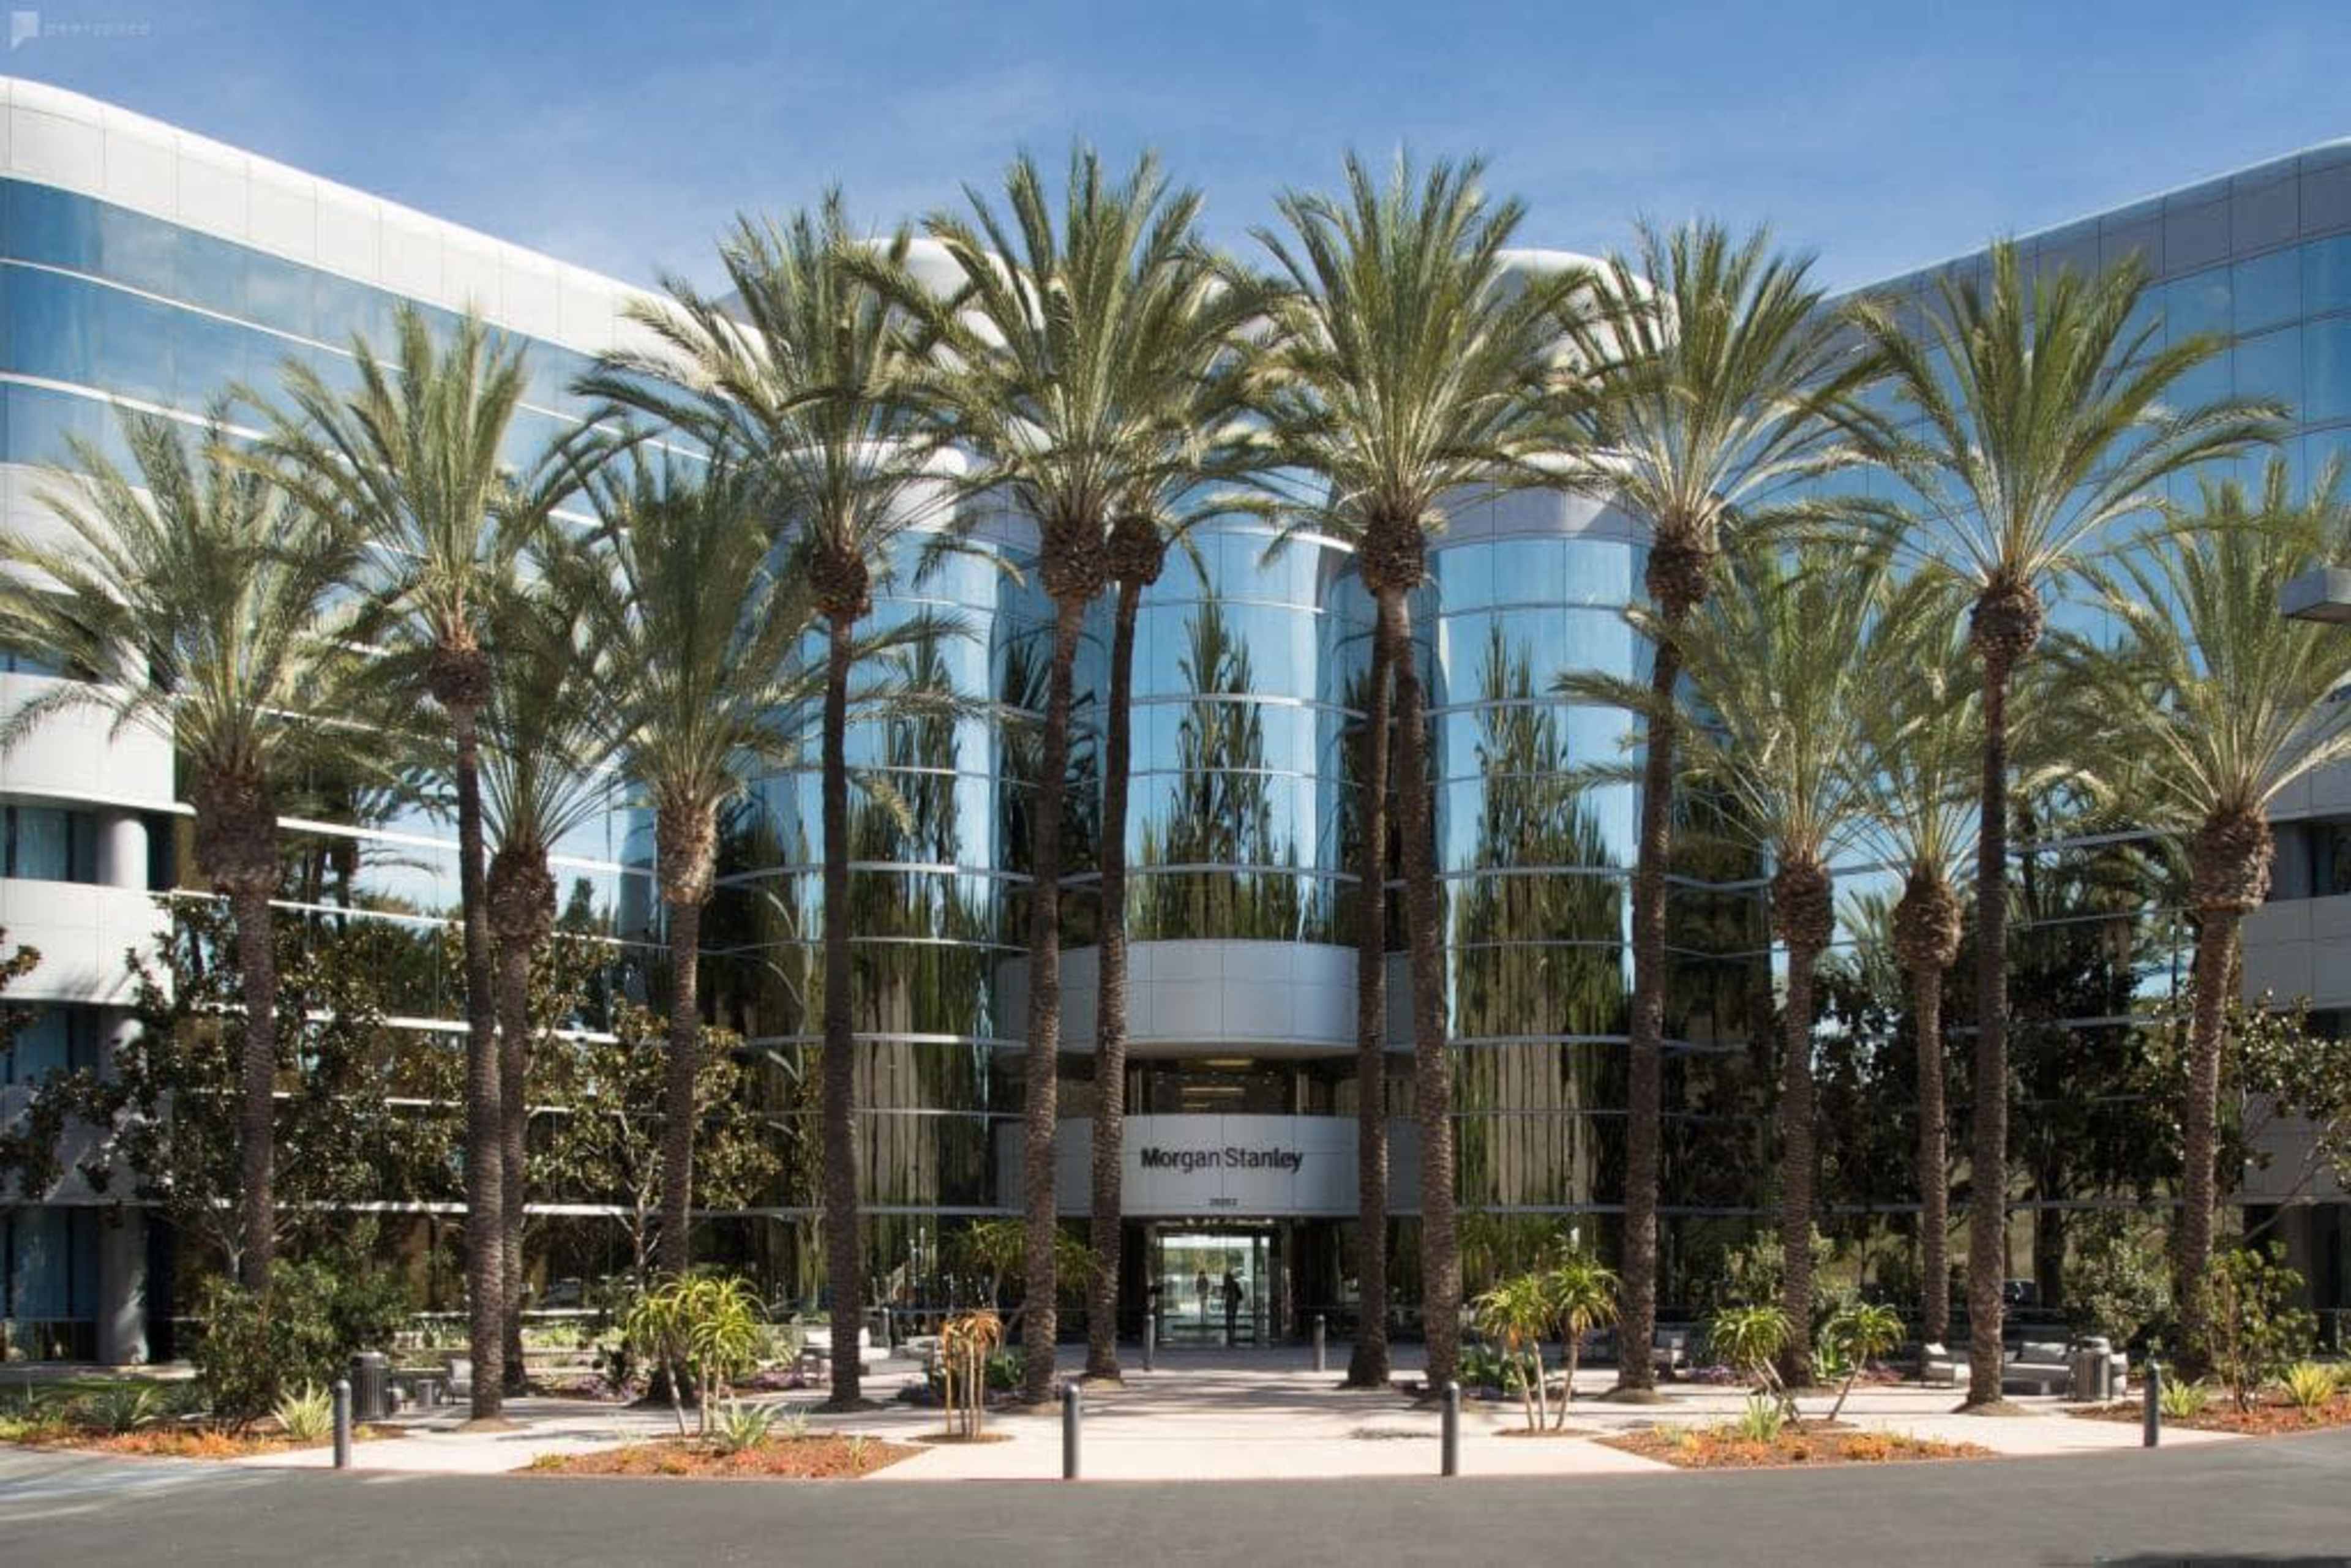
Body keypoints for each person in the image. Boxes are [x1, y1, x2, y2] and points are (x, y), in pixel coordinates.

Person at [1221, 1270, 1245, 1346]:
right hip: (1234, 1304)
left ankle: (1230, 1333)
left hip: (1229, 1304)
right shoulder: (1235, 1284)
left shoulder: (1226, 1285)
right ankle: (1232, 1333)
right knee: (1233, 1318)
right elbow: (1240, 1294)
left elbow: (1223, 1295)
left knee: (1228, 1319)